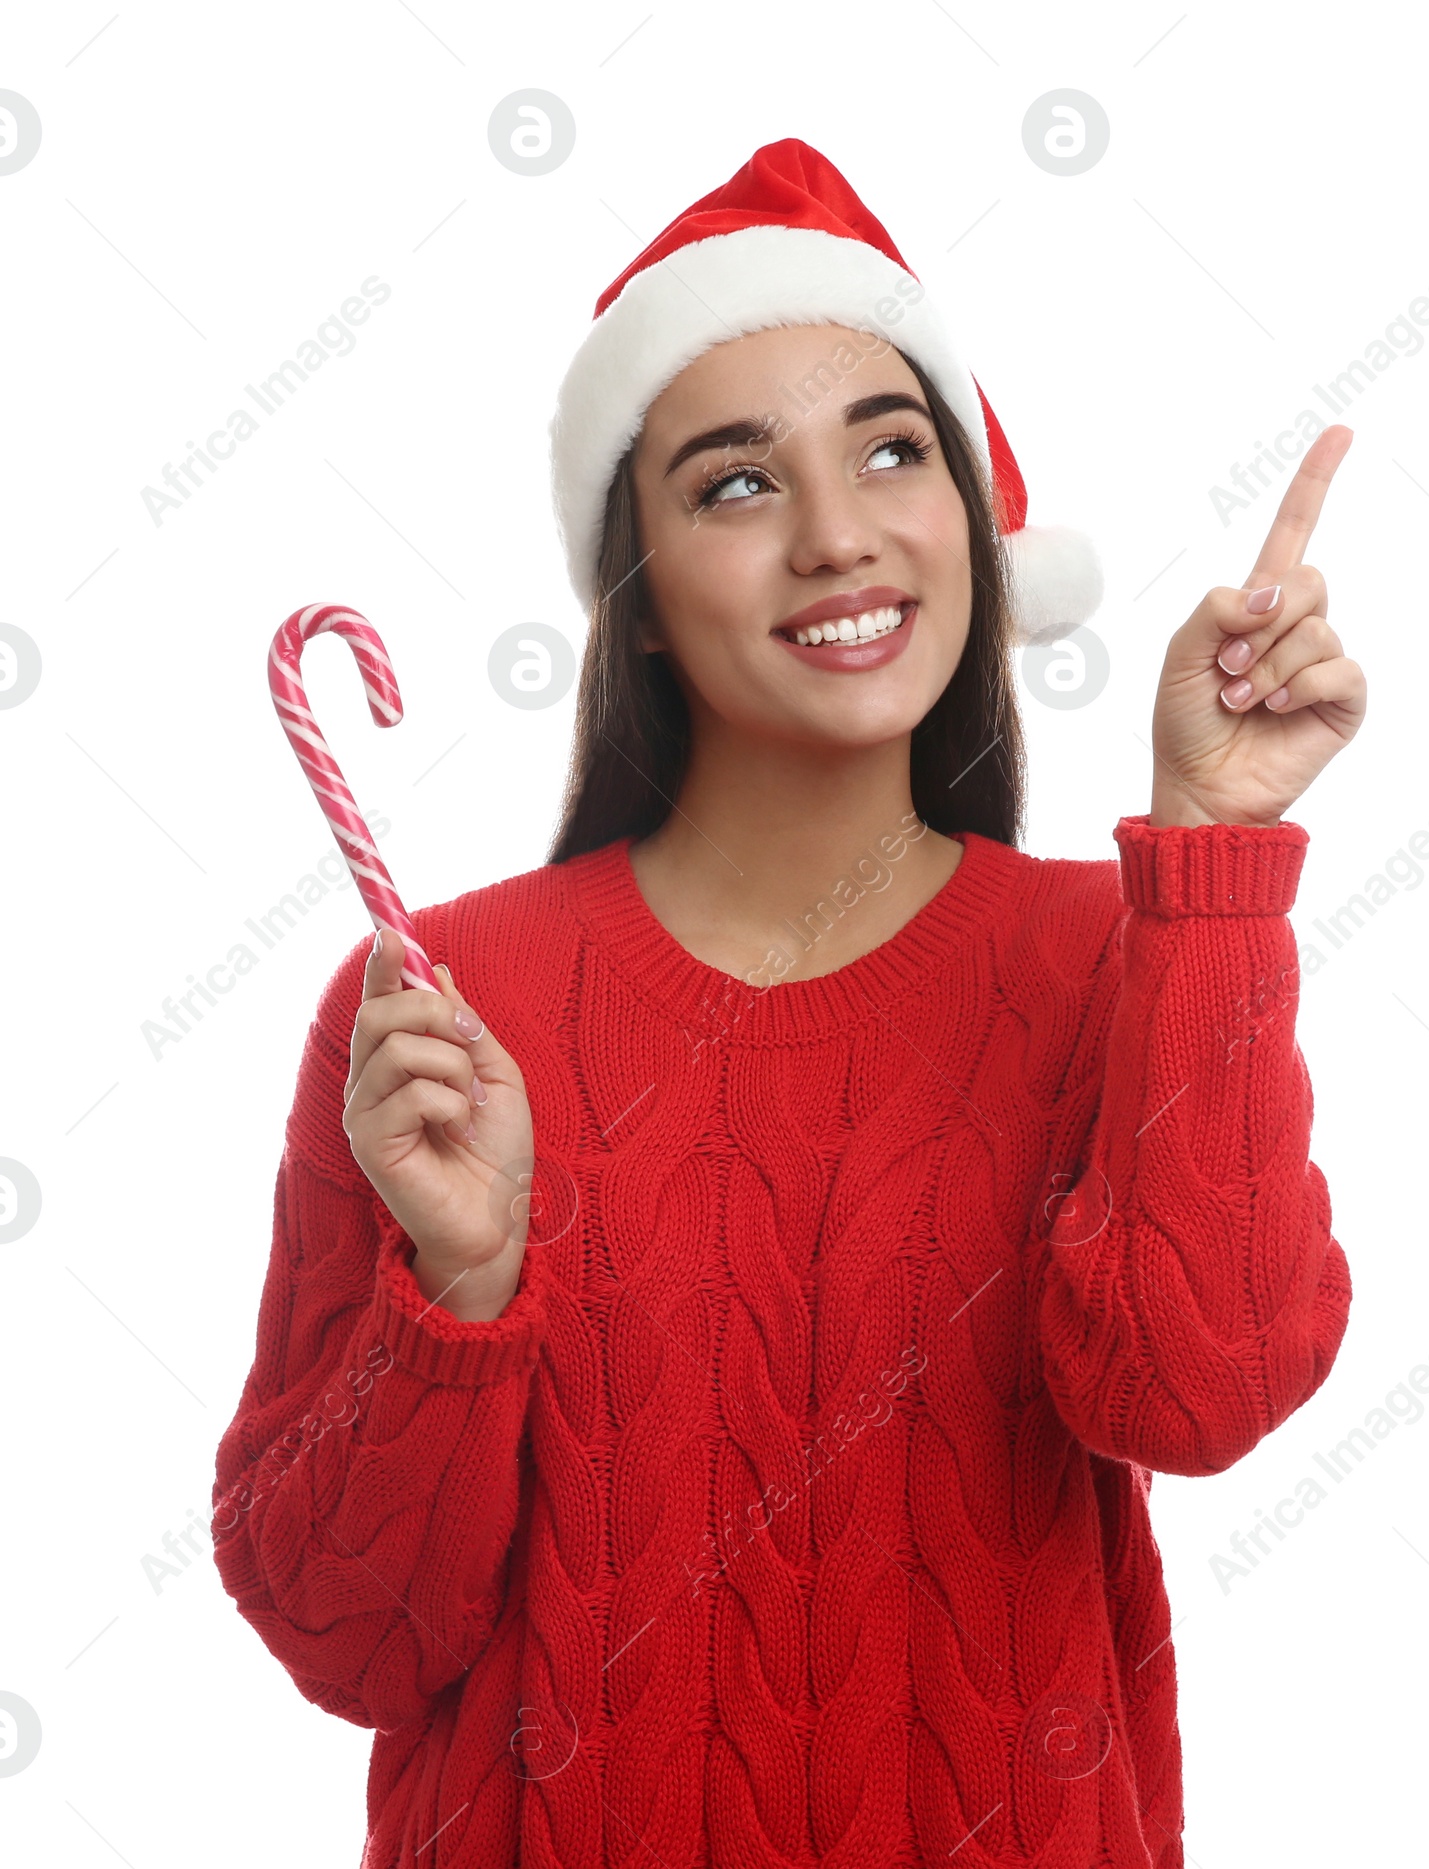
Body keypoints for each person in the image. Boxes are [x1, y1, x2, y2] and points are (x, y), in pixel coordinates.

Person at [212, 139, 1360, 1867]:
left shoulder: (1114, 952)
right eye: (735, 484)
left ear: (969, 523)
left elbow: (1198, 1396)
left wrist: (1207, 855)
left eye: (893, 452)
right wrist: (461, 1287)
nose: (837, 536)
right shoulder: (442, 1015)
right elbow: (347, 1633)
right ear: (644, 598)